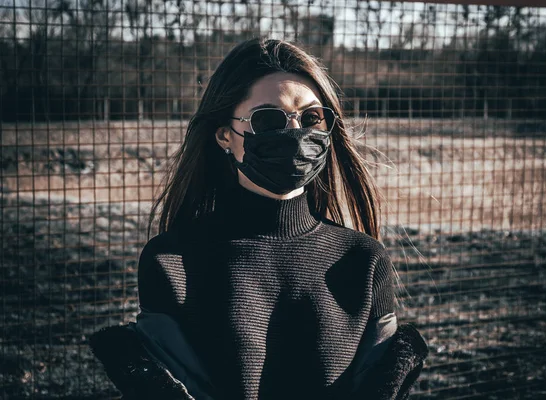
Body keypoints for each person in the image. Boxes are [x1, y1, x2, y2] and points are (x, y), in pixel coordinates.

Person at [89, 37, 428, 400]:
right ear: (223, 135)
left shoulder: (364, 260)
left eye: (312, 118)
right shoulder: (173, 262)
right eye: (269, 120)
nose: (296, 134)